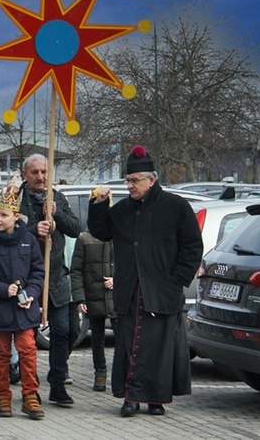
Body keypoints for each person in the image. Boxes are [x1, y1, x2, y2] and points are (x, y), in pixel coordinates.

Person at [88, 146, 203, 417]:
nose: (130, 186)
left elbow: (192, 248)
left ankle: (156, 399)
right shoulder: (123, 209)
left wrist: (176, 281)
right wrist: (100, 204)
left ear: (151, 179)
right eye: (127, 181)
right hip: (130, 291)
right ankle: (130, 397)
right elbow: (101, 231)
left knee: (160, 350)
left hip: (163, 292)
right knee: (129, 345)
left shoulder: (176, 207)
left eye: (135, 180)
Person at [0, 186, 46, 419]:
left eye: (3, 214)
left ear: (16, 217)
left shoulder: (28, 240)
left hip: (25, 309)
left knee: (28, 350)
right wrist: (4, 289)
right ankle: (3, 396)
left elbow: (37, 271)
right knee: (2, 355)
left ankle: (30, 395)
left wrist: (32, 293)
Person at [19, 154, 81, 406]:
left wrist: (57, 217)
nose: (40, 177)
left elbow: (75, 228)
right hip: (27, 277)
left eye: (45, 172)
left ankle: (57, 382)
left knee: (67, 331)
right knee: (27, 335)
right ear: (25, 174)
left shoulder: (58, 198)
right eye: (34, 172)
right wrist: (34, 230)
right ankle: (30, 386)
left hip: (56, 277)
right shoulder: (16, 198)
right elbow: (4, 229)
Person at [70, 188, 118, 392]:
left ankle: (121, 375)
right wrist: (80, 297)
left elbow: (128, 264)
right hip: (94, 296)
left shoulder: (118, 235)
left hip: (116, 297)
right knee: (97, 338)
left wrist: (117, 281)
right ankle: (100, 373)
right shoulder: (84, 239)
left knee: (122, 339)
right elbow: (76, 270)